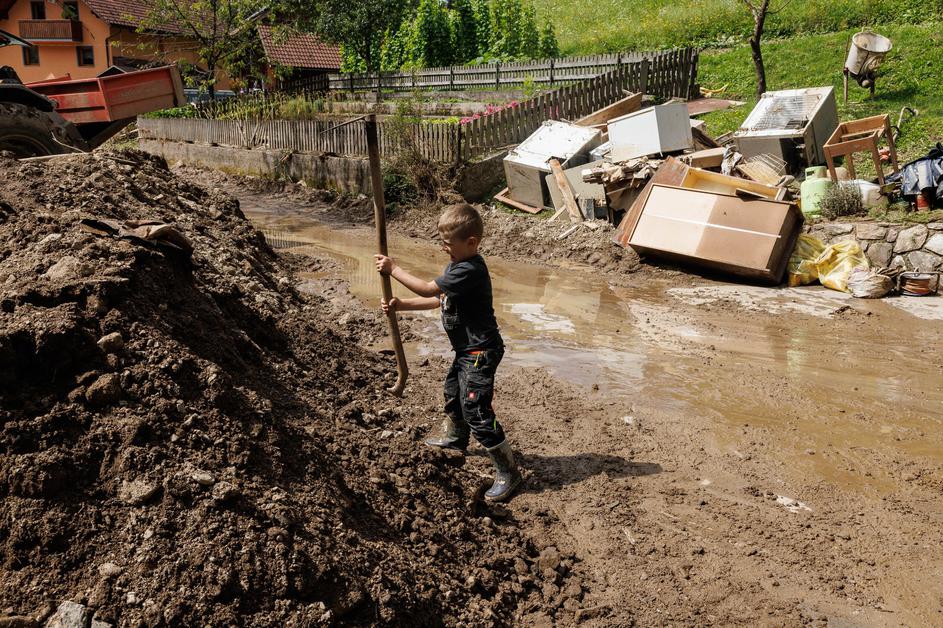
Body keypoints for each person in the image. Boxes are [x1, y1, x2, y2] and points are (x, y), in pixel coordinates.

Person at [375, 203, 522, 502]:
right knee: (453, 392)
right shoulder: (457, 264)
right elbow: (439, 299)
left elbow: (427, 289)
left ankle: (508, 471)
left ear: (471, 242)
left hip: (481, 351)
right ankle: (456, 438)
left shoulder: (470, 269)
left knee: (476, 409)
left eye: (447, 243)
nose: (444, 248)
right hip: (467, 351)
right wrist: (401, 305)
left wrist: (394, 269)